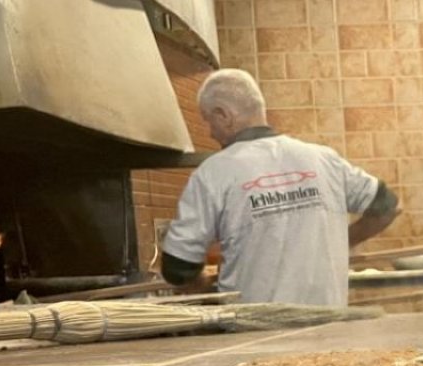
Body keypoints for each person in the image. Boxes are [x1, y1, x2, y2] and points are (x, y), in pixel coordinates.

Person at [161, 69, 400, 306]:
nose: (210, 132)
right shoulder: (323, 159)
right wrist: (346, 240)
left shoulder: (213, 173)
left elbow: (178, 267)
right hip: (330, 329)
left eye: (208, 121)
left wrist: (199, 282)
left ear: (223, 115)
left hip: (256, 333)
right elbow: (389, 206)